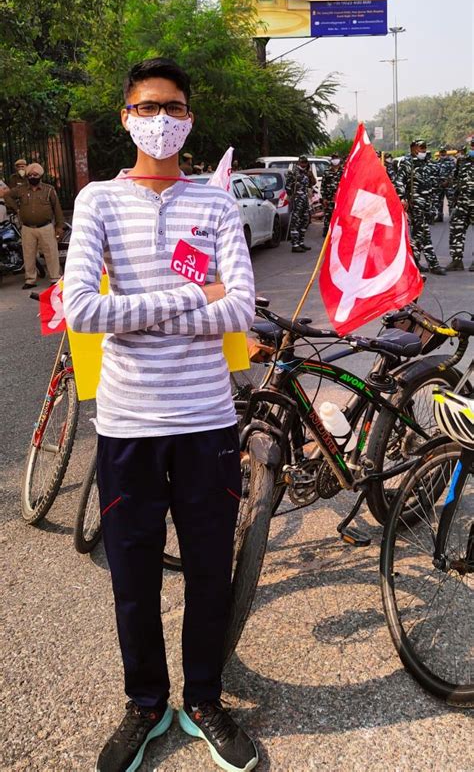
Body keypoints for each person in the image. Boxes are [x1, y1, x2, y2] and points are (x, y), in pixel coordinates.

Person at [63, 56, 258, 772]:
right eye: (147, 107)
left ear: (189, 118)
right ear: (126, 117)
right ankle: (146, 704)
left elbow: (240, 308)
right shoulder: (97, 202)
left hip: (206, 422)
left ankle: (203, 699)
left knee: (209, 572)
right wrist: (193, 296)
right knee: (134, 578)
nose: (160, 119)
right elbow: (82, 309)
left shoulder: (216, 205)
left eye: (172, 107)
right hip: (128, 426)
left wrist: (142, 311)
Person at [2, 162, 64, 288]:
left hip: (46, 227)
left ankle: (55, 278)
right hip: (27, 228)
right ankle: (30, 280)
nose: (32, 177)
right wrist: (17, 209)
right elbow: (7, 196)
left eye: (35, 175)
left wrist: (59, 226)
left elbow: (57, 208)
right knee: (28, 255)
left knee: (51, 253)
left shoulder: (49, 190)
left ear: (40, 175)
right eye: (30, 175)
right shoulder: (21, 189)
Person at [395, 140, 445, 275]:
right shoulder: (407, 163)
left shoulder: (426, 163)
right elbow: (399, 181)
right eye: (421, 147)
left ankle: (414, 263)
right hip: (415, 205)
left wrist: (434, 204)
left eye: (425, 147)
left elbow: (432, 183)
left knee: (418, 236)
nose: (424, 150)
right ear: (413, 149)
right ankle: (433, 264)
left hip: (427, 205)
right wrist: (402, 198)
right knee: (424, 233)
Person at [446, 137, 474, 271]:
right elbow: (455, 179)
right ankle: (457, 260)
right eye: (473, 145)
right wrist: (454, 198)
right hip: (462, 203)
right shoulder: (462, 161)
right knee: (456, 229)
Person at [285, 156, 315, 252]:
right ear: (298, 162)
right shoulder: (293, 172)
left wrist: (310, 175)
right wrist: (293, 196)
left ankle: (300, 242)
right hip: (297, 200)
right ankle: (295, 244)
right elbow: (288, 187)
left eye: (305, 162)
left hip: (305, 200)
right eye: (302, 162)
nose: (304, 164)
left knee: (305, 220)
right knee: (296, 222)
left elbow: (312, 184)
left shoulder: (306, 172)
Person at [320, 154, 344, 235]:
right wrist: (324, 198)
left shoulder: (344, 171)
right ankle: (327, 232)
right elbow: (323, 186)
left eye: (336, 158)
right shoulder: (327, 171)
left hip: (340, 199)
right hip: (329, 199)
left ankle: (338, 233)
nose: (335, 160)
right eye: (333, 158)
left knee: (340, 216)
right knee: (328, 216)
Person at [434, 147, 456, 221]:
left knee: (451, 201)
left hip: (449, 184)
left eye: (444, 152)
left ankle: (451, 217)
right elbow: (435, 173)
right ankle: (439, 216)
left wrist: (447, 181)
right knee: (439, 201)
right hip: (440, 185)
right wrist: (439, 182)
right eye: (441, 152)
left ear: (446, 152)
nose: (442, 153)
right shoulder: (437, 162)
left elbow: (454, 172)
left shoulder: (451, 161)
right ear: (439, 153)